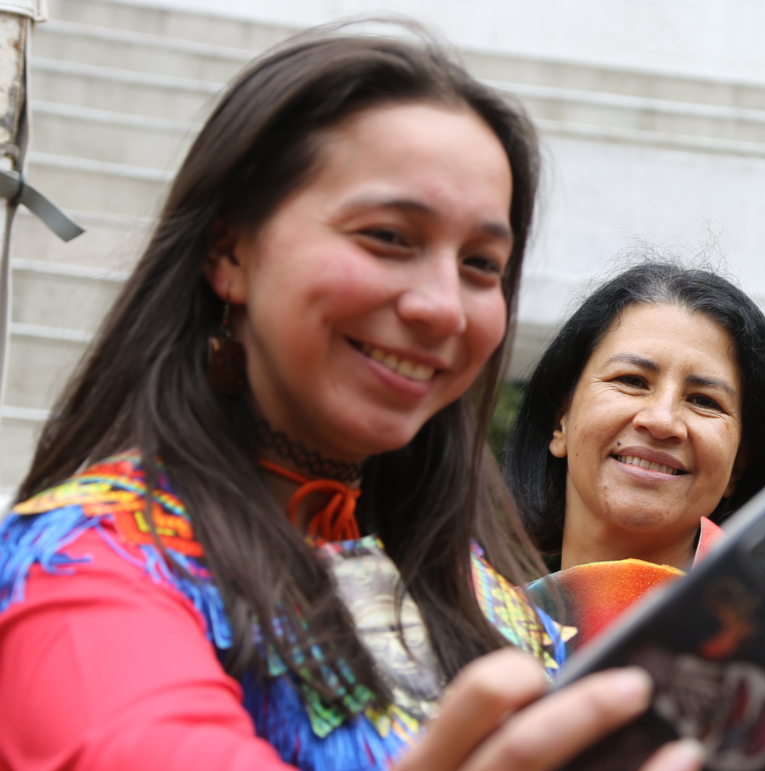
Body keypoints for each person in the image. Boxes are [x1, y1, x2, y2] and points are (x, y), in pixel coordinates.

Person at [0, 27, 701, 771]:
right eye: (389, 236)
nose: (443, 306)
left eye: (480, 263)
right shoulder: (81, 563)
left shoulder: (480, 592)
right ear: (228, 252)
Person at [504, 262, 765, 646]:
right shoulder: (465, 640)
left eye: (703, 401)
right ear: (560, 420)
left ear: (738, 466)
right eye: (631, 381)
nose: (662, 421)